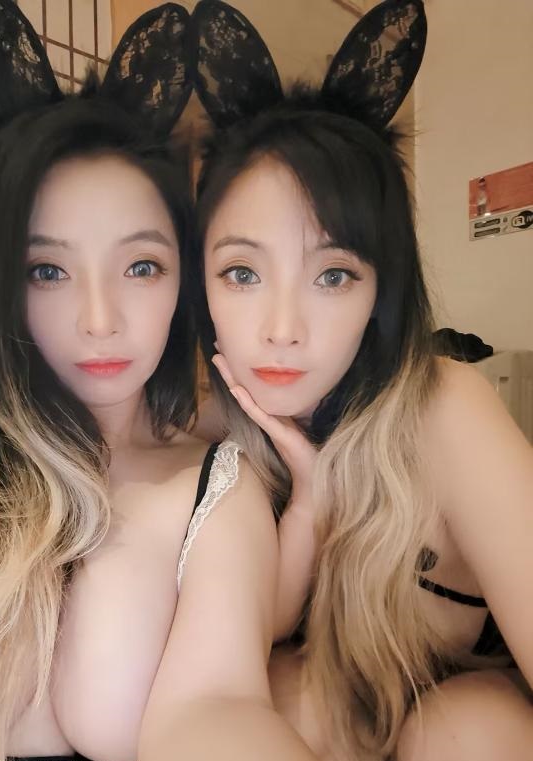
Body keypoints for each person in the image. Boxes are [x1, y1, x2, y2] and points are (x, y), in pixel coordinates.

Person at [0, 4, 323, 761]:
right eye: (46, 271)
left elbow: (220, 705)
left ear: (185, 281)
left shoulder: (213, 485)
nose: (100, 320)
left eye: (141, 265)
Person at [190, 1, 533, 759]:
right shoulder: (214, 433)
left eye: (333, 275)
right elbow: (234, 652)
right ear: (200, 286)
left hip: (469, 714)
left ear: (382, 290)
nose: (282, 328)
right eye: (242, 272)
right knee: (279, 694)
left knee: (474, 729)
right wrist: (308, 502)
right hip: (339, 711)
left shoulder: (444, 408)